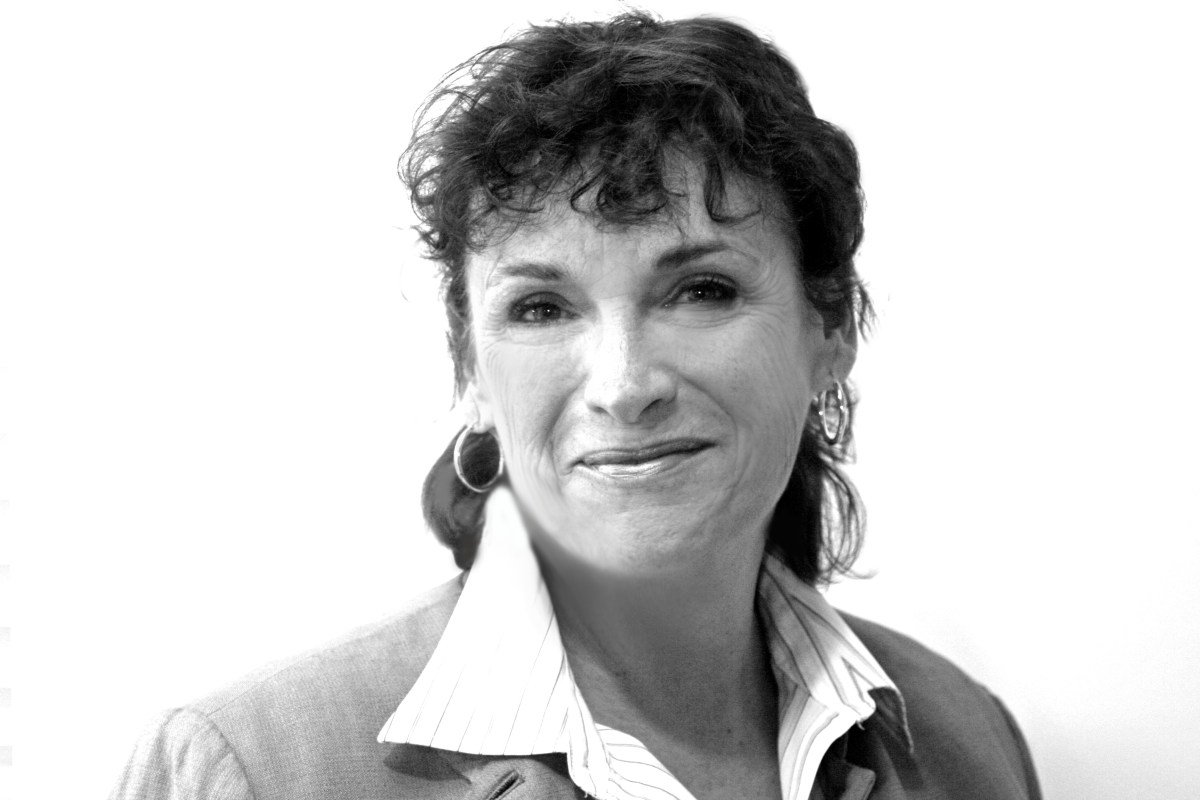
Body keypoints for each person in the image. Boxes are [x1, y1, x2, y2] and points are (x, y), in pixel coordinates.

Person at [110, 13, 1042, 800]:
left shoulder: (969, 742)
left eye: (704, 290)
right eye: (542, 308)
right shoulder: (247, 770)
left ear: (828, 328)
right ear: (471, 370)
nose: (625, 384)